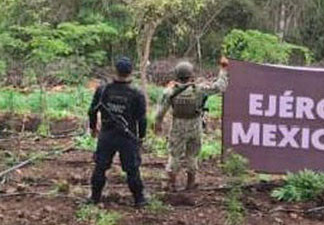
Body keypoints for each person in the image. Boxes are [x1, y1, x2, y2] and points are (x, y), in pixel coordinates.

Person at [154, 57, 229, 191]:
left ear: (176, 75)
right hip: (195, 125)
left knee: (174, 154)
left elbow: (160, 112)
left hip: (178, 126)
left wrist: (158, 124)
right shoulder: (199, 90)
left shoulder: (170, 91)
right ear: (191, 75)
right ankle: (190, 183)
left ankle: (170, 183)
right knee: (192, 155)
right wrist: (223, 69)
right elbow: (220, 87)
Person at [88, 57, 148, 207]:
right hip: (127, 137)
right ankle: (139, 200)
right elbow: (142, 119)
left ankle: (94, 198)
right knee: (132, 169)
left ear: (115, 71)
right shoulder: (136, 94)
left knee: (100, 167)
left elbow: (92, 111)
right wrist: (141, 137)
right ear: (131, 72)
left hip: (107, 135)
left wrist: (93, 128)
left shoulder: (102, 90)